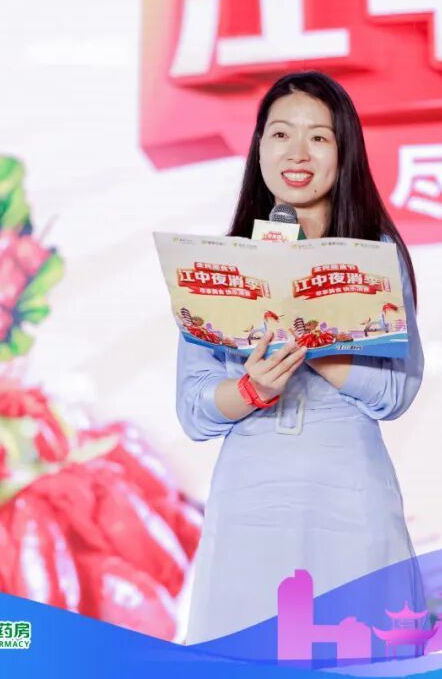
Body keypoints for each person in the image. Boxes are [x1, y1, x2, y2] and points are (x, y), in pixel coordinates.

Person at [176, 71, 425, 644]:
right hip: (250, 503)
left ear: (344, 151)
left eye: (318, 137)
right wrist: (251, 390)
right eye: (281, 134)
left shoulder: (375, 254)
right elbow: (193, 409)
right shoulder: (221, 265)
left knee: (359, 648)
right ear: (259, 146)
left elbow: (396, 393)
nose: (297, 153)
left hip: (349, 498)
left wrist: (311, 341)